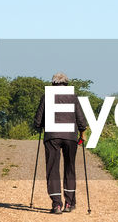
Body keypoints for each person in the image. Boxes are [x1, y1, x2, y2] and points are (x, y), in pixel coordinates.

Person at [32, 73, 89, 213]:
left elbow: (37, 122)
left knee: (53, 169)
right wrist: (82, 134)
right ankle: (69, 203)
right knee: (70, 168)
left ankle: (57, 204)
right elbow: (81, 120)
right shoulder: (73, 97)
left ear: (53, 84)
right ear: (66, 83)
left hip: (52, 137)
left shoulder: (47, 97)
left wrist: (40, 125)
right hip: (70, 136)